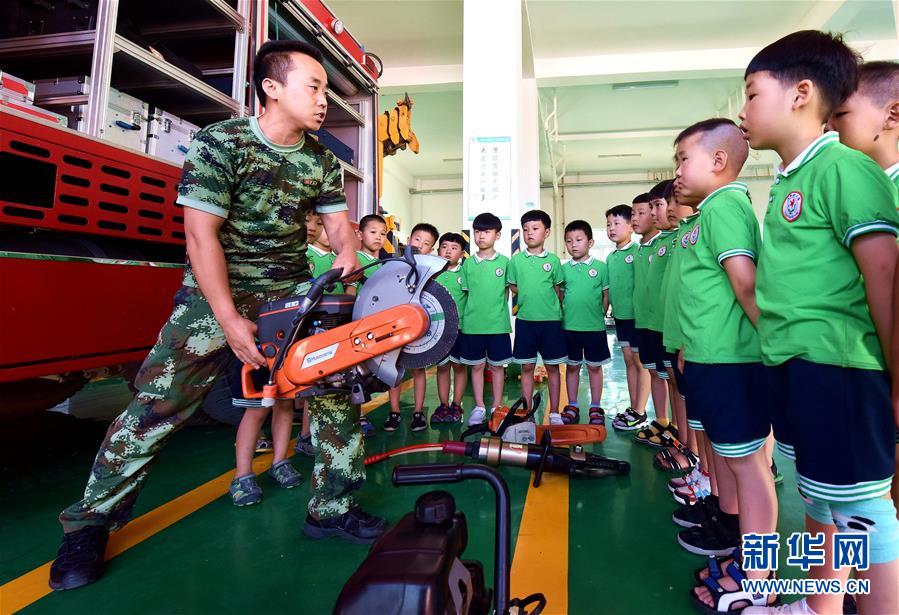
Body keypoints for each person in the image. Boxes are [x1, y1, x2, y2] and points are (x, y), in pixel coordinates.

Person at [48, 40, 386, 591]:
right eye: (314, 87)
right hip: (212, 293)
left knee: (332, 391)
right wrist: (229, 321)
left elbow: (337, 226)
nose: (324, 100)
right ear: (271, 88)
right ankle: (89, 524)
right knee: (158, 405)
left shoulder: (321, 160)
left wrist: (346, 254)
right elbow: (200, 237)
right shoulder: (220, 143)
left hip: (289, 293)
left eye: (326, 90)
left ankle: (332, 507)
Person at [739, 30, 899, 615]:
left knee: (863, 514)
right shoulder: (792, 178)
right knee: (821, 500)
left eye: (752, 94)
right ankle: (819, 607)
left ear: (801, 93)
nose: (743, 111)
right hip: (796, 367)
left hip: (839, 369)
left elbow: (885, 279)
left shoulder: (844, 169)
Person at [671, 118, 777, 611]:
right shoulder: (708, 212)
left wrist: (775, 350)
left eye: (683, 159)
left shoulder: (726, 207)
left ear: (718, 161)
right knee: (736, 464)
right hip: (712, 360)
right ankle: (746, 560)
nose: (676, 171)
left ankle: (760, 577)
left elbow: (746, 285)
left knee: (751, 469)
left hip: (733, 363)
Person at [827, 60, 899, 518]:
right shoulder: (851, 186)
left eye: (842, 114)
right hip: (863, 364)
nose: (831, 126)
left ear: (892, 115)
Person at [509, 210, 566, 424]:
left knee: (552, 367)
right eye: (525, 229)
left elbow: (558, 290)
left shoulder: (554, 261)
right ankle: (527, 413)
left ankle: (554, 412)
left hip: (550, 322)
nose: (529, 233)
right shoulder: (516, 261)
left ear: (547, 232)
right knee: (526, 367)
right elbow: (514, 286)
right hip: (525, 322)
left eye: (535, 228)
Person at [384, 223, 440, 432]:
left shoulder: (430, 271)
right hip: (396, 324)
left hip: (420, 325)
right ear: (409, 240)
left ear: (431, 249)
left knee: (418, 368)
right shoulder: (394, 265)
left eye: (426, 243)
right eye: (417, 239)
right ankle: (394, 411)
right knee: (395, 368)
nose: (420, 245)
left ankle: (418, 412)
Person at [458, 212, 512, 426]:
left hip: (498, 326)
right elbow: (466, 295)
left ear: (497, 235)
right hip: (473, 326)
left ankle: (497, 407)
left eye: (487, 232)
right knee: (477, 367)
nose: (481, 236)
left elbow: (505, 294)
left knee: (497, 368)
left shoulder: (505, 263)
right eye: (477, 232)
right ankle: (479, 406)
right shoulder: (468, 264)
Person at [559, 220, 611, 425]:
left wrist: (600, 314)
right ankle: (572, 405)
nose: (573, 244)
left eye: (578, 240)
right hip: (570, 328)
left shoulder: (601, 268)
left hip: (594, 328)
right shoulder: (563, 270)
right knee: (572, 367)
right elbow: (561, 296)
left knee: (594, 368)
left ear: (590, 243)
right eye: (569, 241)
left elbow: (606, 295)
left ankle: (595, 406)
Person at [606, 203, 650, 425]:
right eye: (608, 224)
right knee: (628, 361)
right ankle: (633, 408)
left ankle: (641, 411)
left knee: (641, 363)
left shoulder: (637, 252)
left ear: (631, 226)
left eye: (617, 223)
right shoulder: (611, 257)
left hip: (637, 317)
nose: (611, 228)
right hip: (621, 317)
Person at [352, 213, 387, 436]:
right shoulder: (355, 260)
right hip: (358, 327)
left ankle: (360, 413)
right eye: (373, 232)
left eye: (383, 234)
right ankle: (358, 417)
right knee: (355, 374)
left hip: (377, 328)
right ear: (359, 234)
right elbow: (350, 294)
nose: (378, 237)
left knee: (367, 375)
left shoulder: (383, 264)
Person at [430, 232, 469, 425]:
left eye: (454, 248)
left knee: (459, 367)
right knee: (443, 367)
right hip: (439, 330)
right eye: (444, 247)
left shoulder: (465, 273)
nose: (448, 251)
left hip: (460, 328)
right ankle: (443, 404)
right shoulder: (432, 273)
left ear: (461, 254)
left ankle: (456, 404)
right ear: (438, 250)